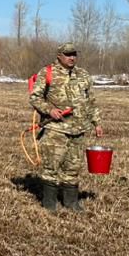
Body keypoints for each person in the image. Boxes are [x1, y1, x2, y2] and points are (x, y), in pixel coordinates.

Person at [28, 42, 103, 212]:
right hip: (56, 129)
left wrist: (96, 122)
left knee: (73, 168)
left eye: (74, 54)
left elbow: (91, 101)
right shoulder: (47, 73)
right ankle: (49, 204)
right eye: (68, 54)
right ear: (59, 56)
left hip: (78, 130)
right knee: (51, 167)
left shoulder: (83, 75)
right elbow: (35, 97)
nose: (72, 58)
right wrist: (50, 110)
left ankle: (71, 202)